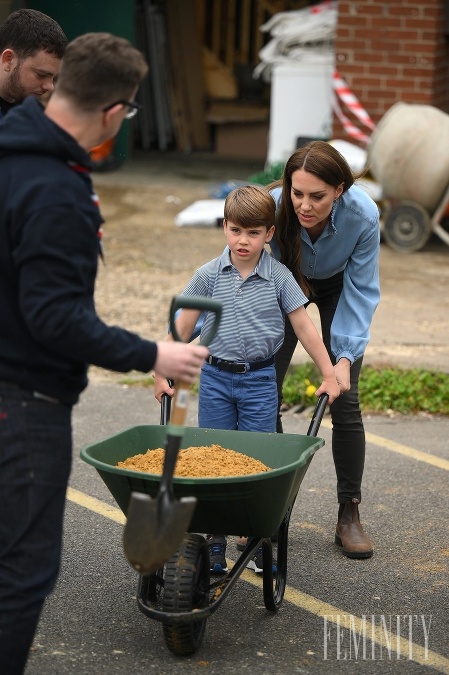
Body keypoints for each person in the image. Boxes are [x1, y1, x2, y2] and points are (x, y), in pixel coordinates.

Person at [0, 32, 208, 675]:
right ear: (114, 112)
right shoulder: (55, 188)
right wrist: (153, 353)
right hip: (23, 404)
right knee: (24, 573)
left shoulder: (11, 148)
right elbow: (55, 317)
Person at [154, 185, 340, 575]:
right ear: (225, 227)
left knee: (257, 464)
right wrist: (161, 370)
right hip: (217, 379)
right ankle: (215, 543)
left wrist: (328, 372)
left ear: (269, 234)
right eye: (236, 230)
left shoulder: (279, 277)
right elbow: (182, 327)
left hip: (259, 381)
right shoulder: (207, 275)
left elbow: (305, 328)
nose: (243, 240)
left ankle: (257, 542)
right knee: (215, 460)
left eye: (254, 233)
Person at [268, 140, 380, 560]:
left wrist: (343, 360)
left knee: (345, 400)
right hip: (284, 283)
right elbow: (243, 277)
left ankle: (349, 513)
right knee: (264, 395)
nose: (305, 205)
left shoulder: (363, 216)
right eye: (298, 194)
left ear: (339, 190)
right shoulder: (275, 208)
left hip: (337, 289)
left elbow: (362, 290)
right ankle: (269, 509)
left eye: (318, 196)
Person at [0, 8, 67, 117]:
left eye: (53, 78)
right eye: (41, 75)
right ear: (8, 59)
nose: (50, 87)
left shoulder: (37, 116)